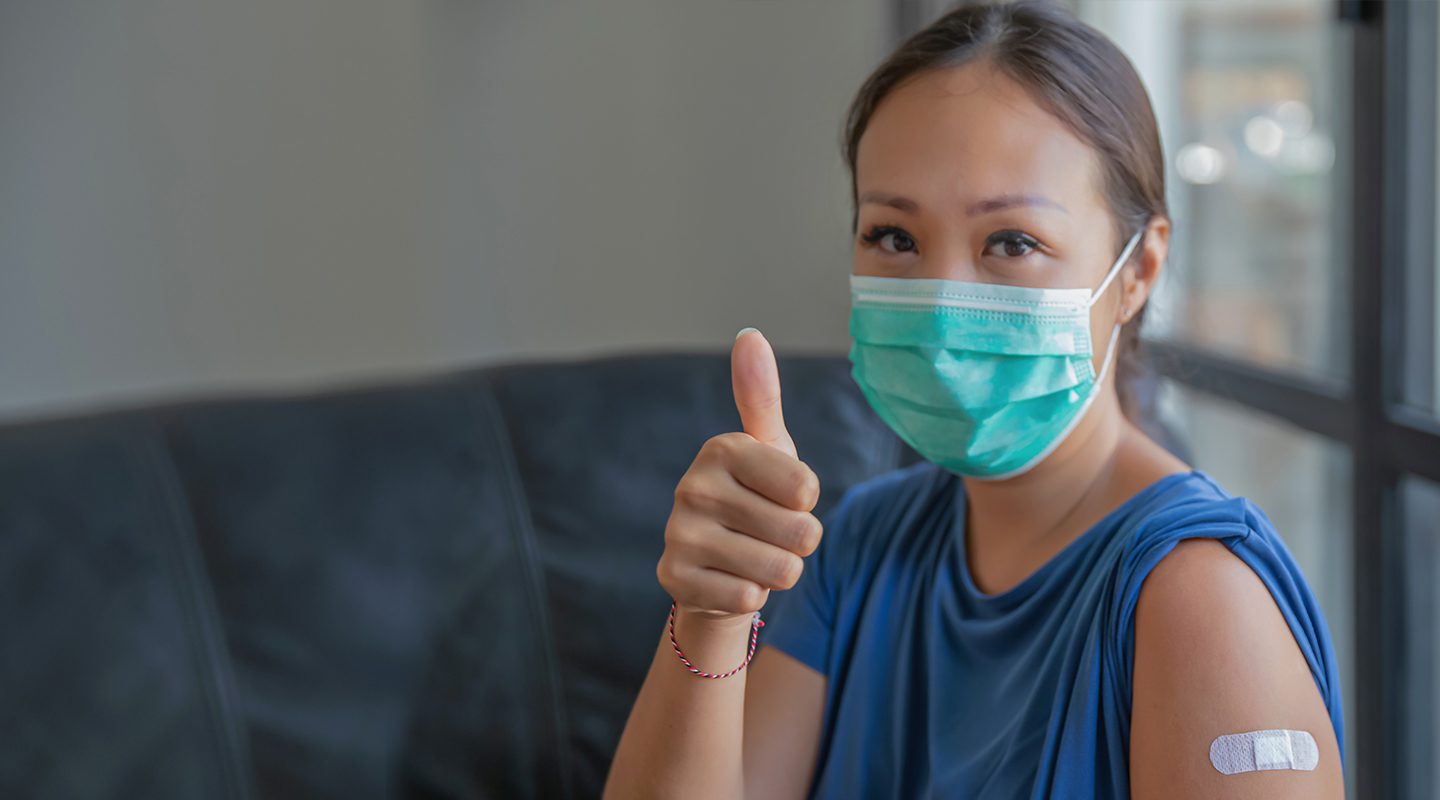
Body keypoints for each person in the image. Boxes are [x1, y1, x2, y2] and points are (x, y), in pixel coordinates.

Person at [602, 2, 1345, 798]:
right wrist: (710, 618)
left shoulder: (1202, 601)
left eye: (1013, 242)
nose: (943, 301)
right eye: (894, 236)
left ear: (1138, 271)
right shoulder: (858, 547)